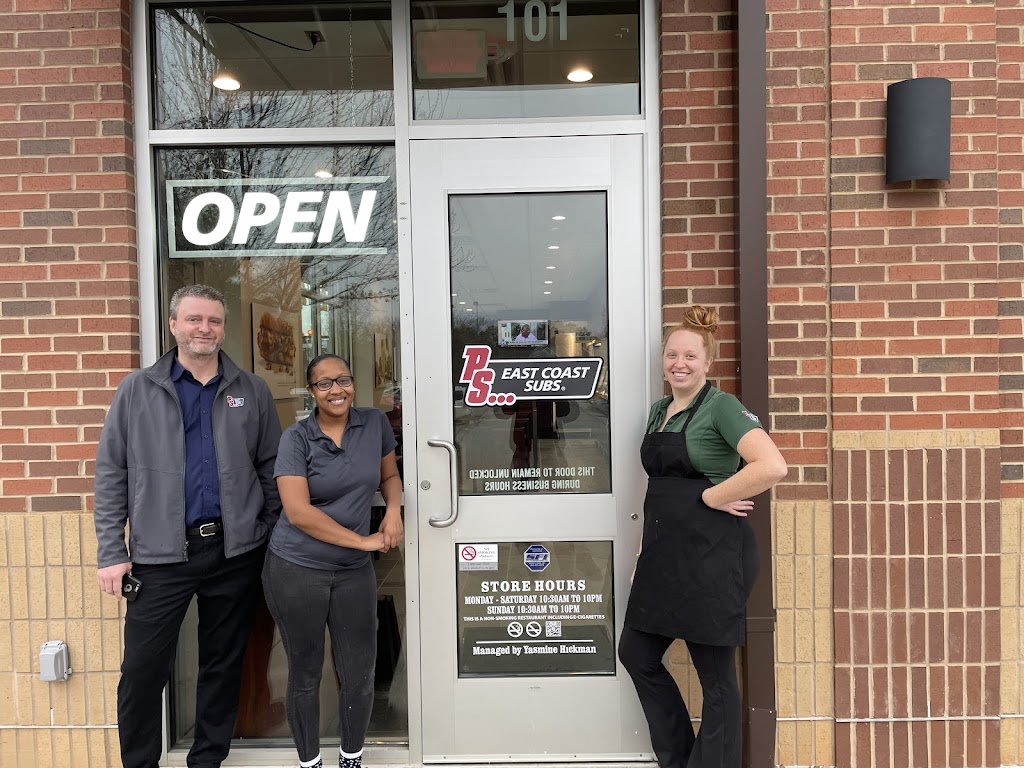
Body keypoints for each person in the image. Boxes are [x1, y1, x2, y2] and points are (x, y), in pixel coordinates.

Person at [94, 284, 283, 768]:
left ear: (223, 328)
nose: (205, 329)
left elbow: (270, 468)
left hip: (234, 553)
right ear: (174, 325)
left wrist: (265, 530)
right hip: (160, 555)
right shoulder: (137, 389)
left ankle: (207, 760)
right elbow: (112, 472)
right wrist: (111, 551)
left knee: (222, 665)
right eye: (194, 319)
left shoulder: (251, 390)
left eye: (214, 321)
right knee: (142, 670)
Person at [619, 305, 787, 768]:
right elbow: (659, 492)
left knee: (716, 680)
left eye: (690, 356)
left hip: (713, 556)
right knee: (636, 654)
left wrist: (713, 496)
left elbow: (772, 465)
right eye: (672, 354)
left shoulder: (722, 407)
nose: (679, 363)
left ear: (708, 362)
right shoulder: (659, 411)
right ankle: (679, 758)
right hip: (663, 556)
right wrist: (643, 554)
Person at [263, 353, 403, 768]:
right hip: (296, 568)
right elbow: (298, 512)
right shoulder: (296, 438)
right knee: (306, 671)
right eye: (324, 384)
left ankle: (350, 758)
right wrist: (361, 542)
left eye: (342, 380)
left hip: (352, 572)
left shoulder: (374, 423)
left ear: (353, 383)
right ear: (312, 392)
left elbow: (389, 476)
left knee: (359, 670)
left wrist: (393, 511)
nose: (336, 390)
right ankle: (310, 762)